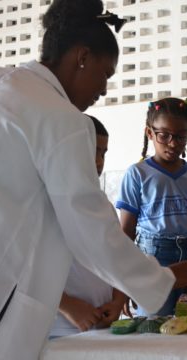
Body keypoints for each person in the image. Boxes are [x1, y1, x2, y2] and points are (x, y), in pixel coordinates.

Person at [0, 1, 187, 359]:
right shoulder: (62, 119)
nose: (104, 90)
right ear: (82, 57)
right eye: (105, 74)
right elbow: (90, 231)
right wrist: (162, 280)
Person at [116, 97, 187, 316]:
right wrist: (122, 283)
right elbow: (125, 234)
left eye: (181, 136)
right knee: (153, 328)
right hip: (154, 258)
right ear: (150, 133)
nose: (173, 143)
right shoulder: (137, 174)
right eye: (164, 135)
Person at [49, 115, 126, 338]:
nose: (98, 160)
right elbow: (23, 273)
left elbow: (117, 261)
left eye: (103, 152)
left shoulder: (105, 207)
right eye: (92, 150)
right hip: (59, 329)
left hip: (102, 325)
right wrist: (68, 306)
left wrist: (118, 299)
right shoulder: (45, 205)